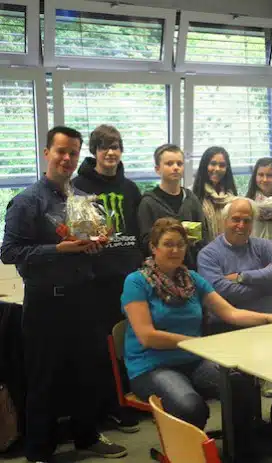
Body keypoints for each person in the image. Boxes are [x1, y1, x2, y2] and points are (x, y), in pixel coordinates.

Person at [122, 218, 272, 459]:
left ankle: (239, 450)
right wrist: (193, 343)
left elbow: (231, 313)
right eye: (167, 244)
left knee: (242, 384)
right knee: (190, 407)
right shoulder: (136, 282)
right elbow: (146, 336)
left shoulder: (192, 280)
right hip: (151, 366)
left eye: (180, 245)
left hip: (193, 359)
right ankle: (189, 454)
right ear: (154, 248)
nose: (175, 250)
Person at [1, 126, 127, 462]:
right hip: (46, 303)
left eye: (73, 152)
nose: (67, 159)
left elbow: (84, 246)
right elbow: (10, 252)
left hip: (84, 298)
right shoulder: (28, 201)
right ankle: (39, 450)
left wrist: (94, 245)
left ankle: (86, 437)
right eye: (61, 151)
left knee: (87, 372)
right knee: (44, 379)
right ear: (47, 153)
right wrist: (59, 249)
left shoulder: (79, 199)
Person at [72, 124, 143, 433]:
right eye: (104, 147)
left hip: (130, 278)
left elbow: (140, 234)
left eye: (116, 146)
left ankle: (130, 400)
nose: (111, 152)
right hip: (97, 280)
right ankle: (110, 407)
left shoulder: (131, 189)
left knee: (130, 342)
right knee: (104, 349)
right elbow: (77, 233)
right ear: (94, 151)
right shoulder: (78, 186)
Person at [197, 198, 272, 334]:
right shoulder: (208, 255)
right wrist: (268, 287)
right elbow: (221, 292)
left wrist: (242, 277)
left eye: (247, 221)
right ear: (224, 221)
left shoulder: (264, 246)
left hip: (270, 325)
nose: (241, 225)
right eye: (236, 219)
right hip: (226, 328)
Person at [138, 144, 208, 270]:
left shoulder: (191, 199)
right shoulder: (148, 202)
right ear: (157, 169)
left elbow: (204, 234)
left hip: (190, 269)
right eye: (169, 164)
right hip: (160, 273)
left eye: (179, 164)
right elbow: (145, 242)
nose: (175, 168)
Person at [192, 146, 238, 242]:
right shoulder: (193, 195)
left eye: (222, 165)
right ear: (205, 166)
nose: (217, 169)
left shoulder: (233, 198)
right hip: (203, 252)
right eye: (213, 164)